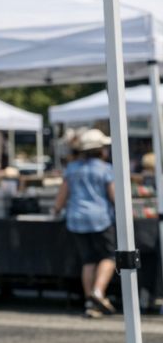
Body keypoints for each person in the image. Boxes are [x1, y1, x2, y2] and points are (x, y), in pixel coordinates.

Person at [54, 128, 117, 318]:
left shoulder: (72, 168)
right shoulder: (105, 168)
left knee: (88, 261)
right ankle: (98, 292)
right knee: (109, 256)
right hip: (100, 218)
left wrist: (56, 210)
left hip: (76, 219)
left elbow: (61, 198)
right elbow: (114, 197)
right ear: (100, 149)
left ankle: (90, 306)